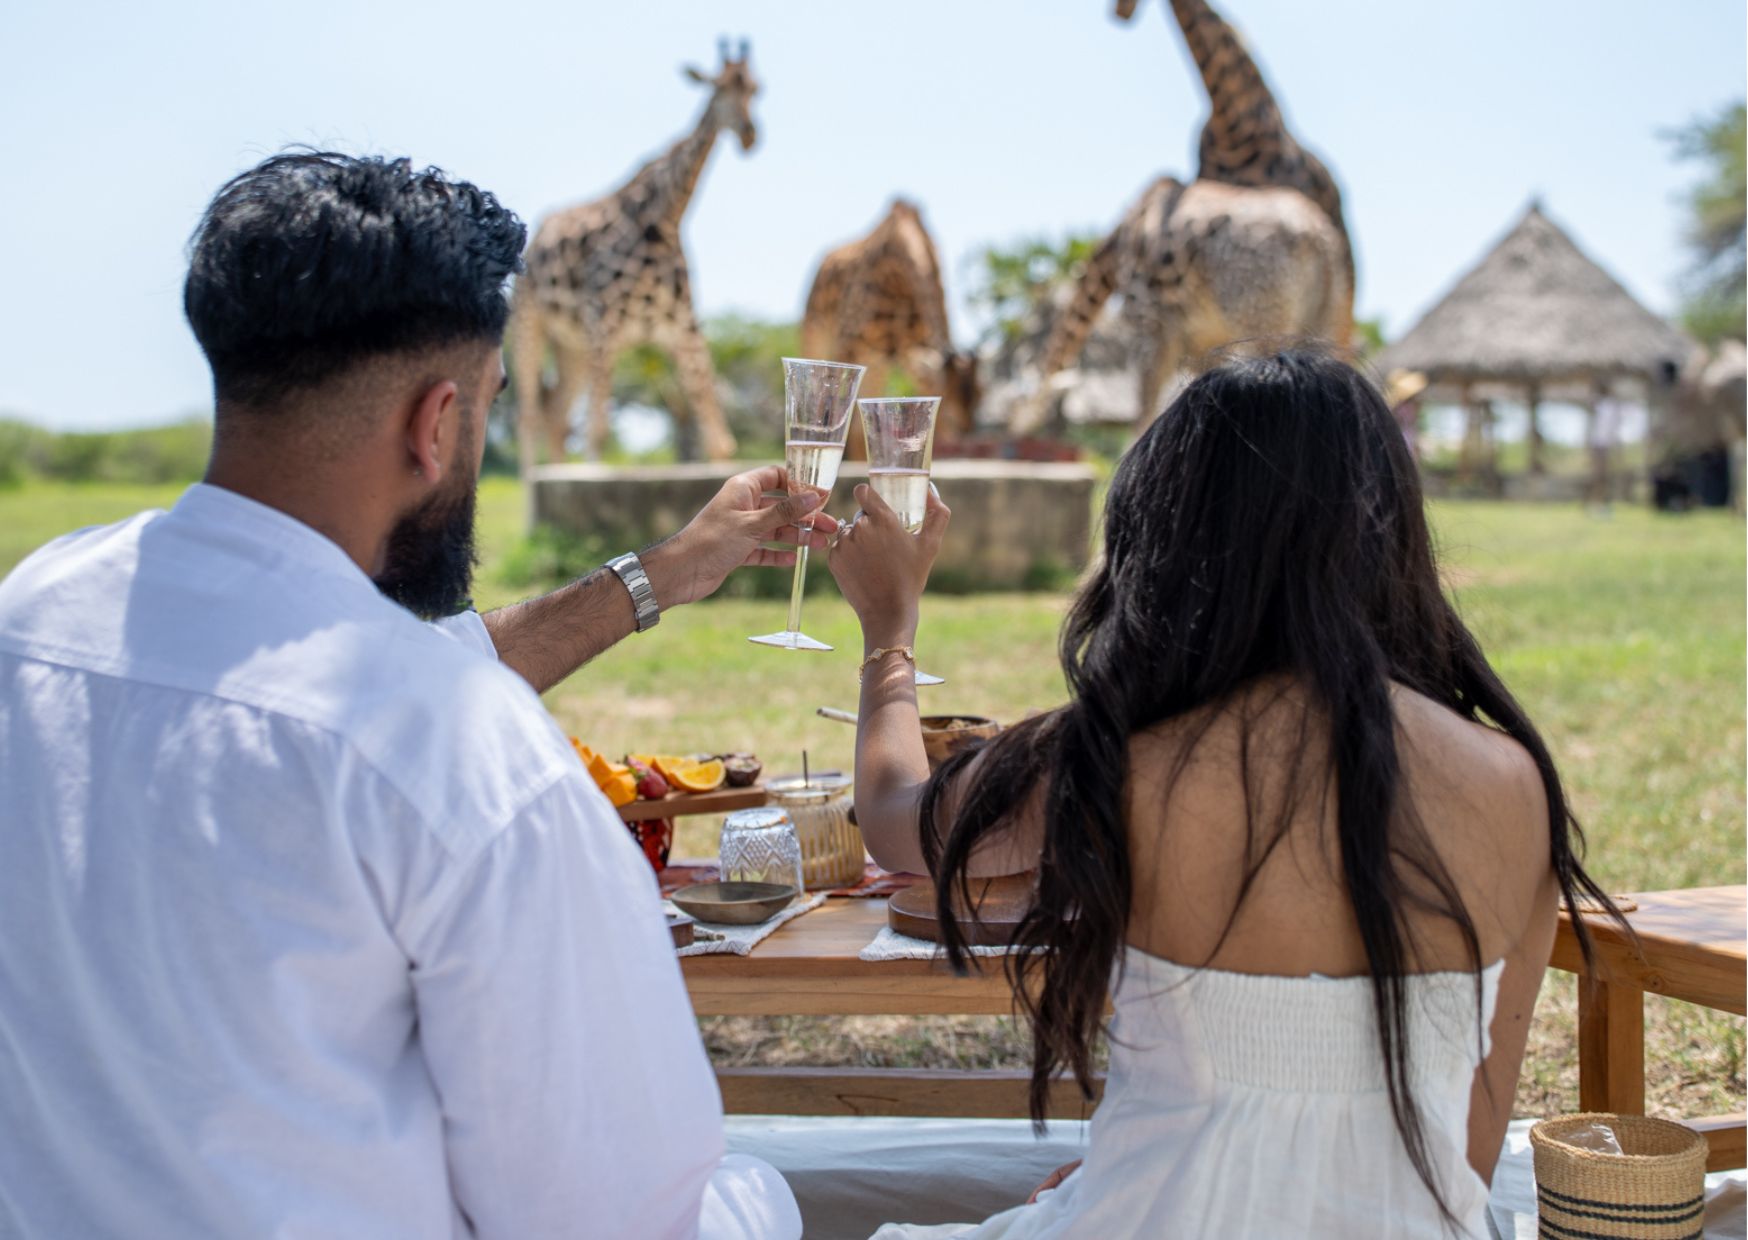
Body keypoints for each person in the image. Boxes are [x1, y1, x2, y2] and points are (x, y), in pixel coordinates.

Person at [0, 152, 819, 1238]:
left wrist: (664, 570)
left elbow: (359, 671)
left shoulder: (33, 619)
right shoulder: (467, 757)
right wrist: (764, 1201)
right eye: (487, 411)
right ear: (437, 422)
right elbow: (623, 1217)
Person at [828, 348, 1622, 1238]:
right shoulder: (1516, 783)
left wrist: (888, 633)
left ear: (1167, 534)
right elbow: (1467, 1154)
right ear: (1393, 533)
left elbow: (899, 822)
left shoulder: (1116, 758)